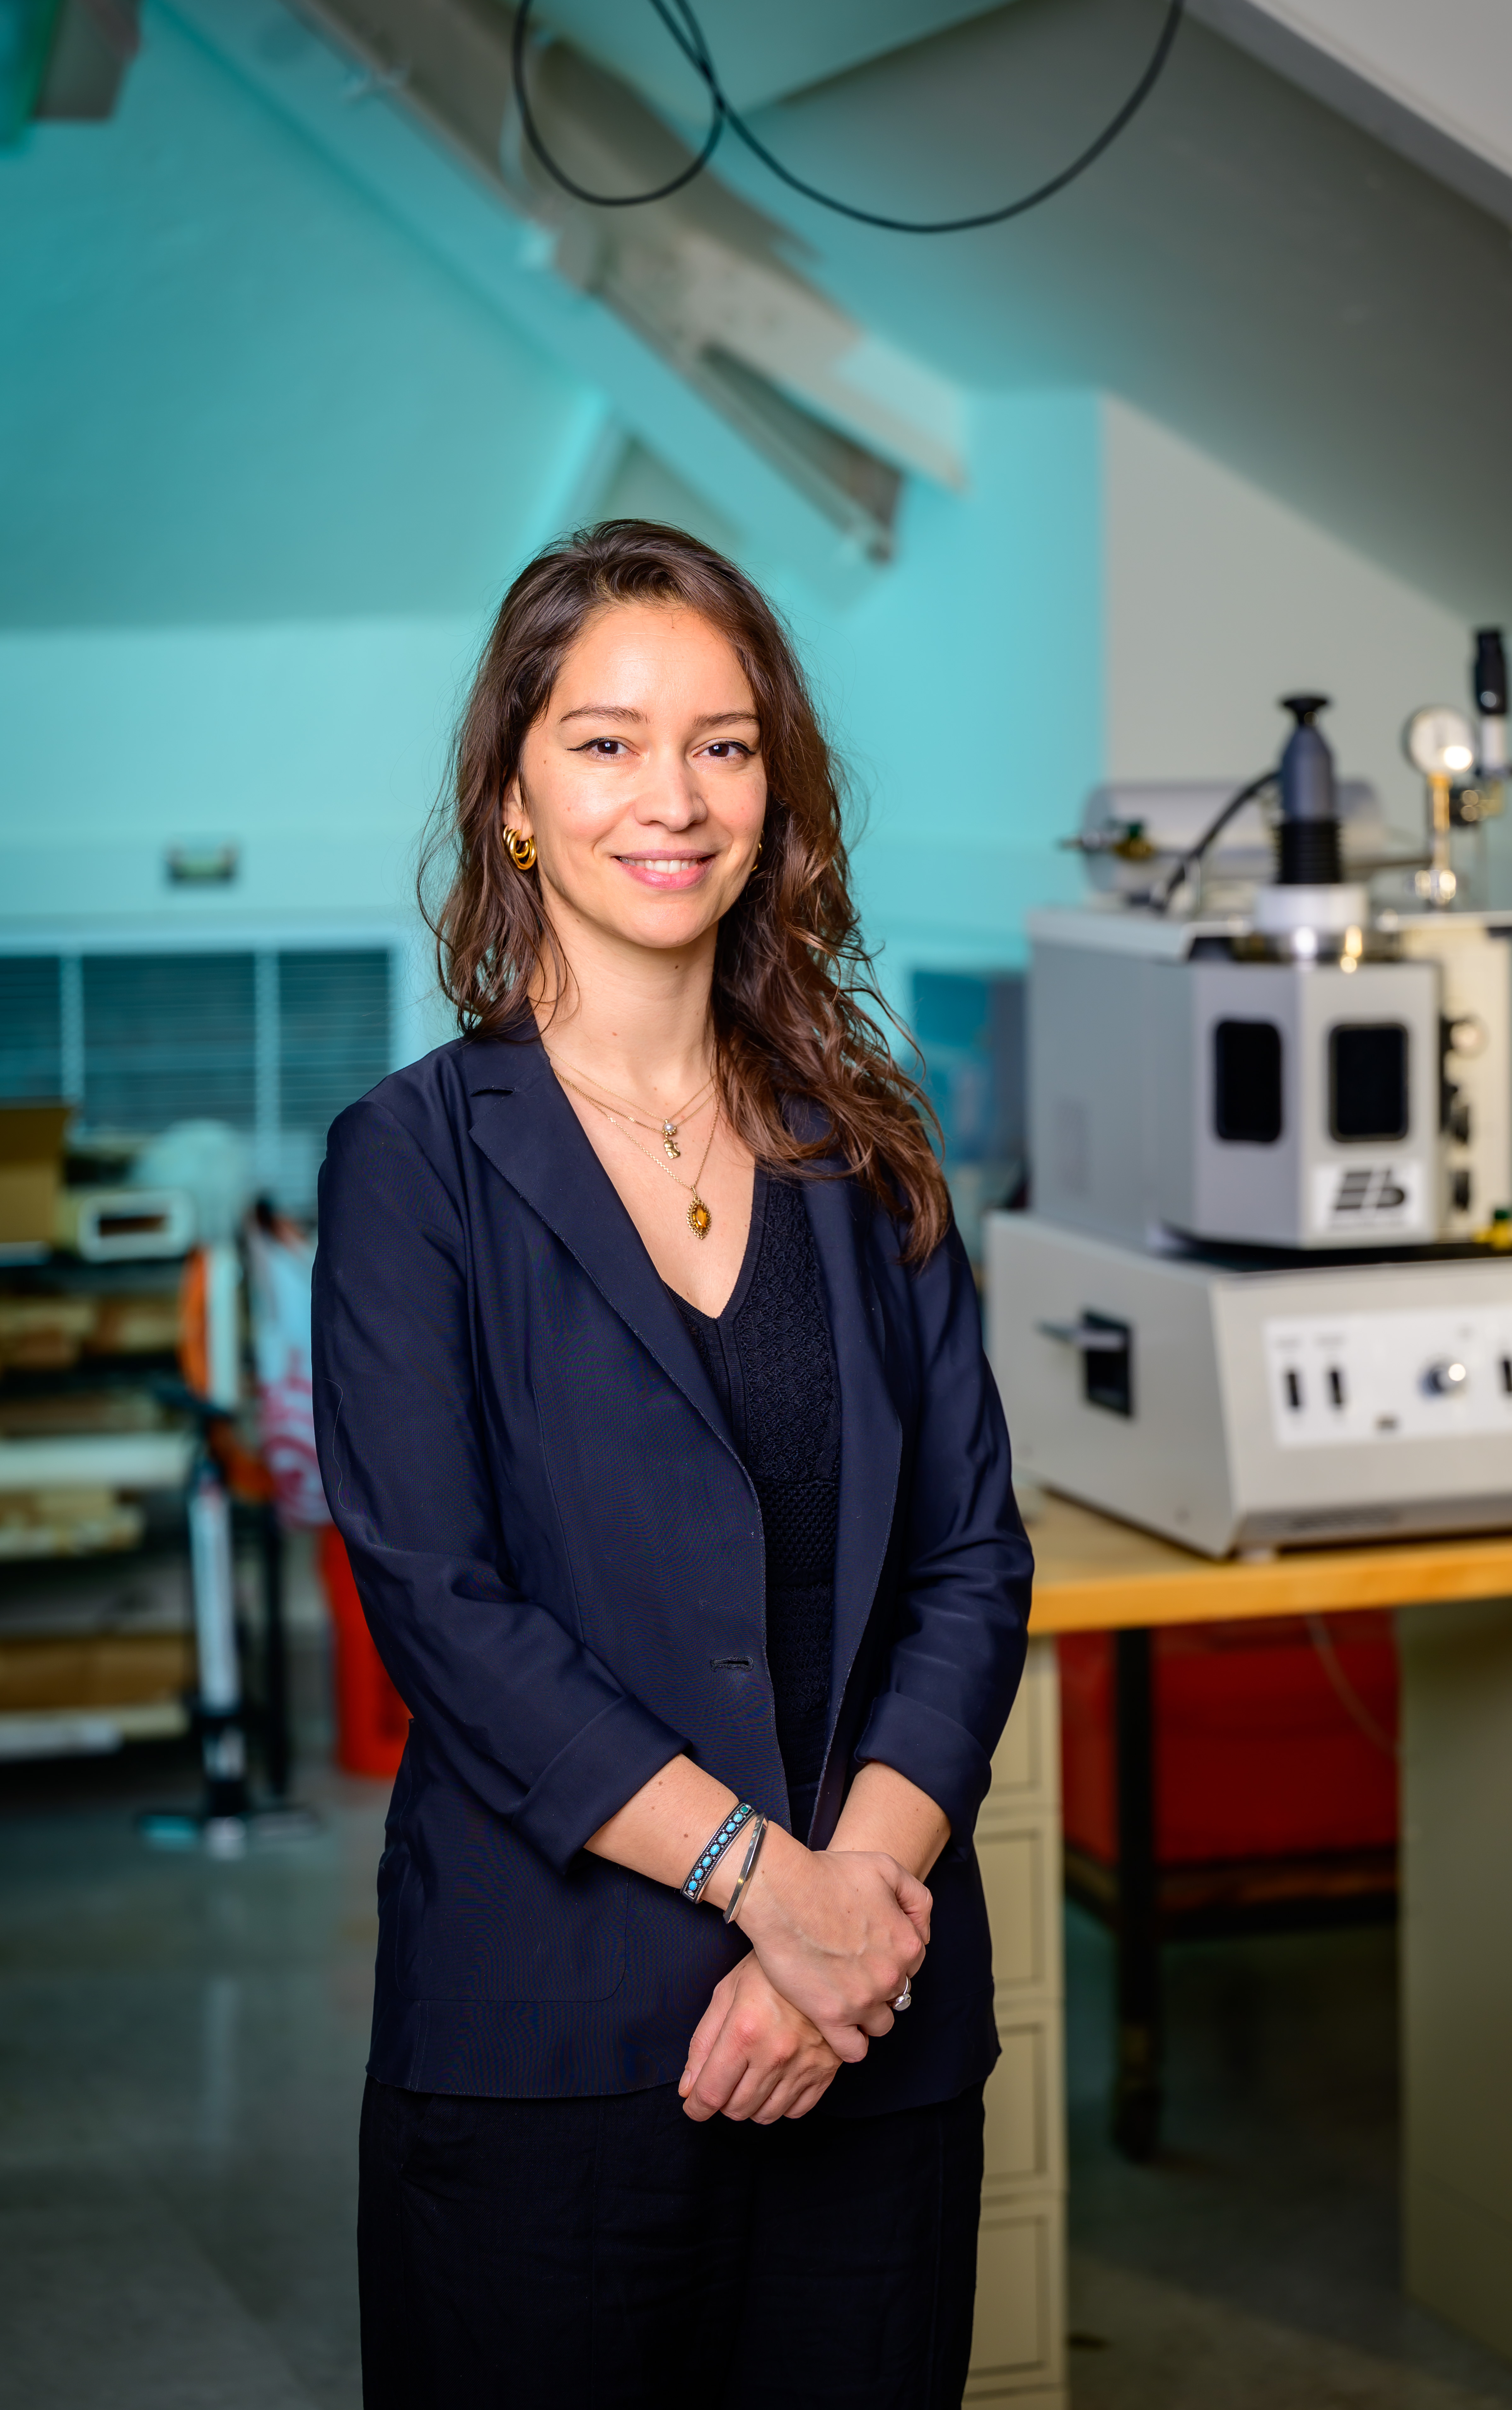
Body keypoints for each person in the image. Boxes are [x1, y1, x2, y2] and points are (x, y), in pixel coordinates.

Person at [311, 519, 1034, 2409]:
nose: (676, 797)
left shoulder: (866, 1145)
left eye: (724, 744)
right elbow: (443, 1610)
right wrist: (763, 1888)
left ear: (774, 792)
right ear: (516, 796)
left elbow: (970, 1562)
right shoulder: (414, 1165)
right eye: (609, 741)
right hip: (546, 2049)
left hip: (870, 2027)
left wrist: (844, 1921)